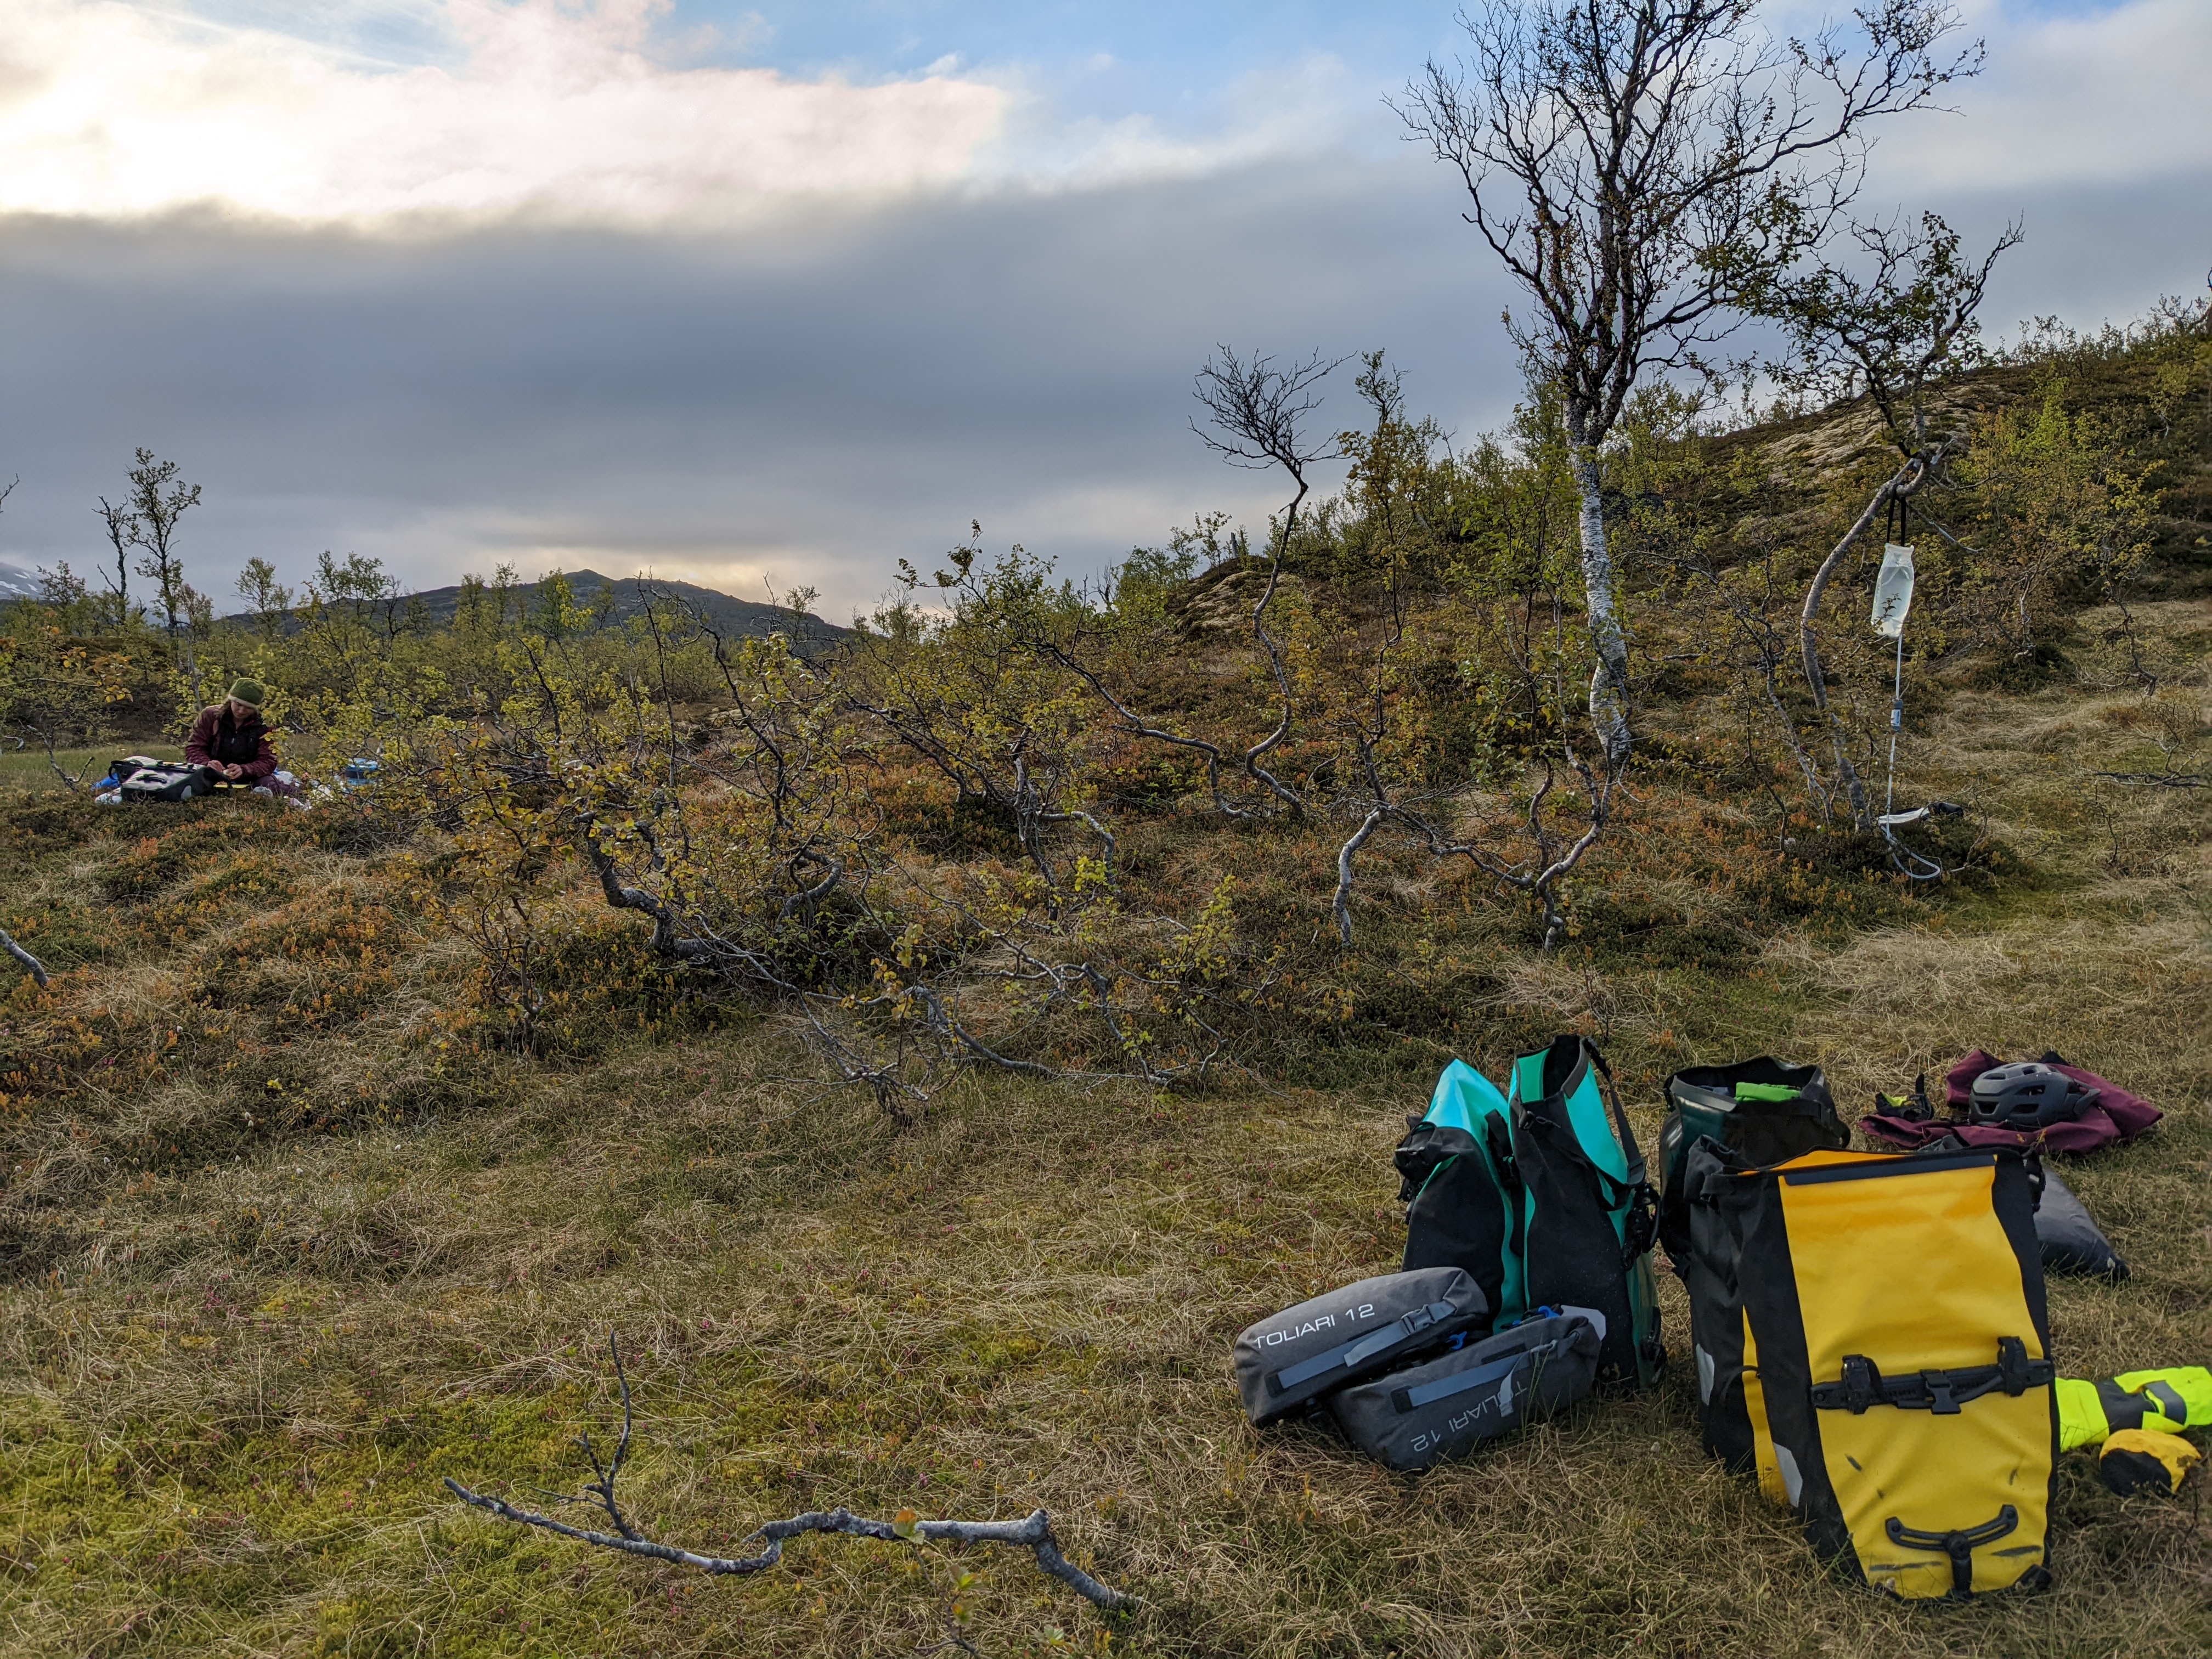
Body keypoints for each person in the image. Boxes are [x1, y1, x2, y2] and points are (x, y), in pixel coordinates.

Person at [184, 680, 298, 799]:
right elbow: (194, 748)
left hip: (251, 778)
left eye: (248, 708)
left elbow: (268, 761)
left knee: (268, 785)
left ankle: (301, 792)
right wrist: (207, 764)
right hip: (209, 773)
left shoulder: (265, 725)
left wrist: (244, 770)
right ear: (231, 700)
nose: (241, 711)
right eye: (238, 704)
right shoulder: (210, 716)